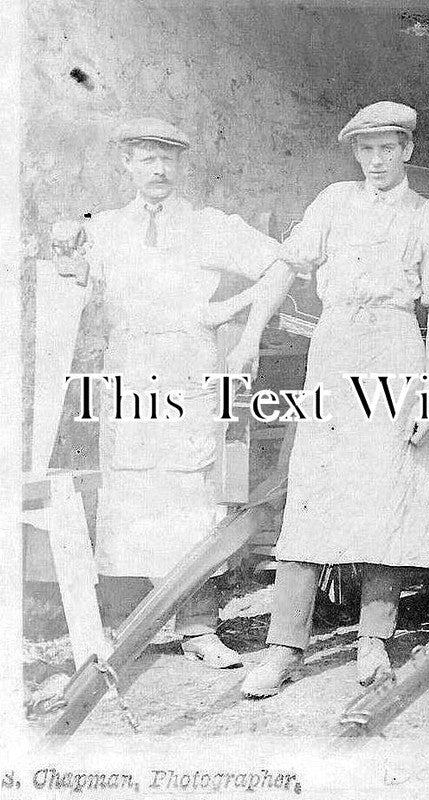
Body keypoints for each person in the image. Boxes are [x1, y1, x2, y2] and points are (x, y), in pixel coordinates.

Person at [241, 101, 429, 697]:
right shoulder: (333, 202)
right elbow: (287, 266)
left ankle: (373, 641)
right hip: (336, 345)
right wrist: (248, 335)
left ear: (408, 151)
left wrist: (428, 394)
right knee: (315, 490)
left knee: (388, 492)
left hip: (396, 348)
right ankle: (283, 648)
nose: (376, 160)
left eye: (387, 148)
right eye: (366, 149)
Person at [53, 117, 290, 667]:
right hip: (129, 367)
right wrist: (69, 250)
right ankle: (121, 630)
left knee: (191, 496)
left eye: (167, 158)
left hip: (189, 368)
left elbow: (283, 263)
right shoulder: (104, 226)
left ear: (181, 165)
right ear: (126, 164)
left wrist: (237, 319)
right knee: (129, 493)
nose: (158, 169)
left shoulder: (209, 224)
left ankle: (199, 628)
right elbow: (72, 277)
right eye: (146, 157)